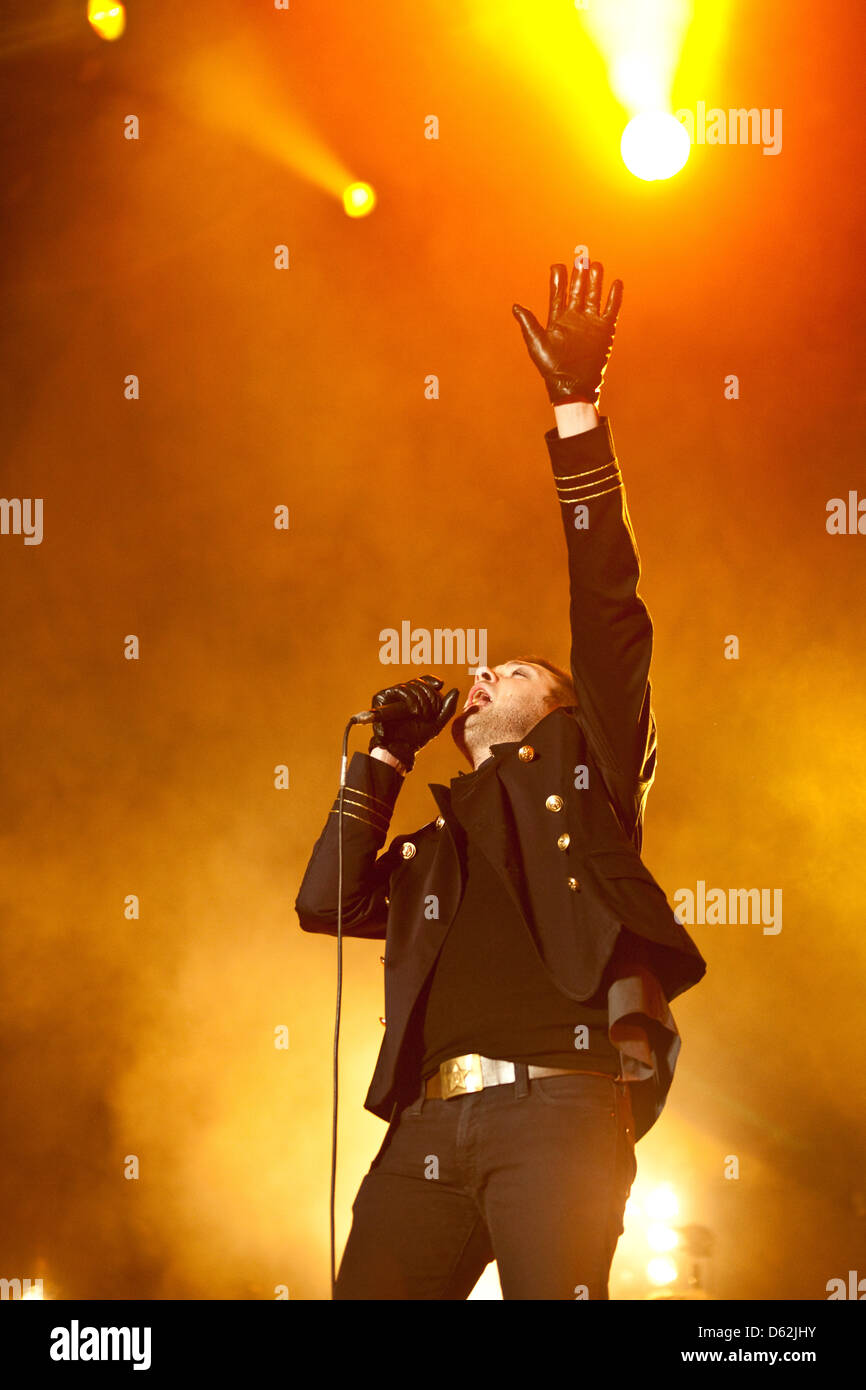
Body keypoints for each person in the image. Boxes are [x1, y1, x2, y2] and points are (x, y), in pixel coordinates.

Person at [295, 251, 707, 1299]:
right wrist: (384, 757)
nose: (482, 675)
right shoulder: (437, 848)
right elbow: (326, 899)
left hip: (558, 1110)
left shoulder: (589, 769)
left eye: (512, 671)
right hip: (425, 1128)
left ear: (560, 710)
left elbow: (606, 601)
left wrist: (574, 406)